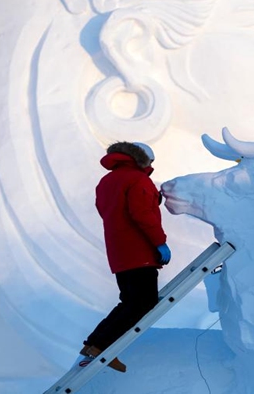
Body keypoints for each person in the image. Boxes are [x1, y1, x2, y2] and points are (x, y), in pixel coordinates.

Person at [79, 141, 172, 372]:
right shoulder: (139, 179)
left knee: (129, 301)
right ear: (143, 160)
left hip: (119, 252)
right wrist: (160, 242)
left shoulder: (106, 181)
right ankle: (102, 347)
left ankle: (93, 344)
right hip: (139, 251)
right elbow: (142, 215)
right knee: (144, 302)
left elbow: (108, 211)